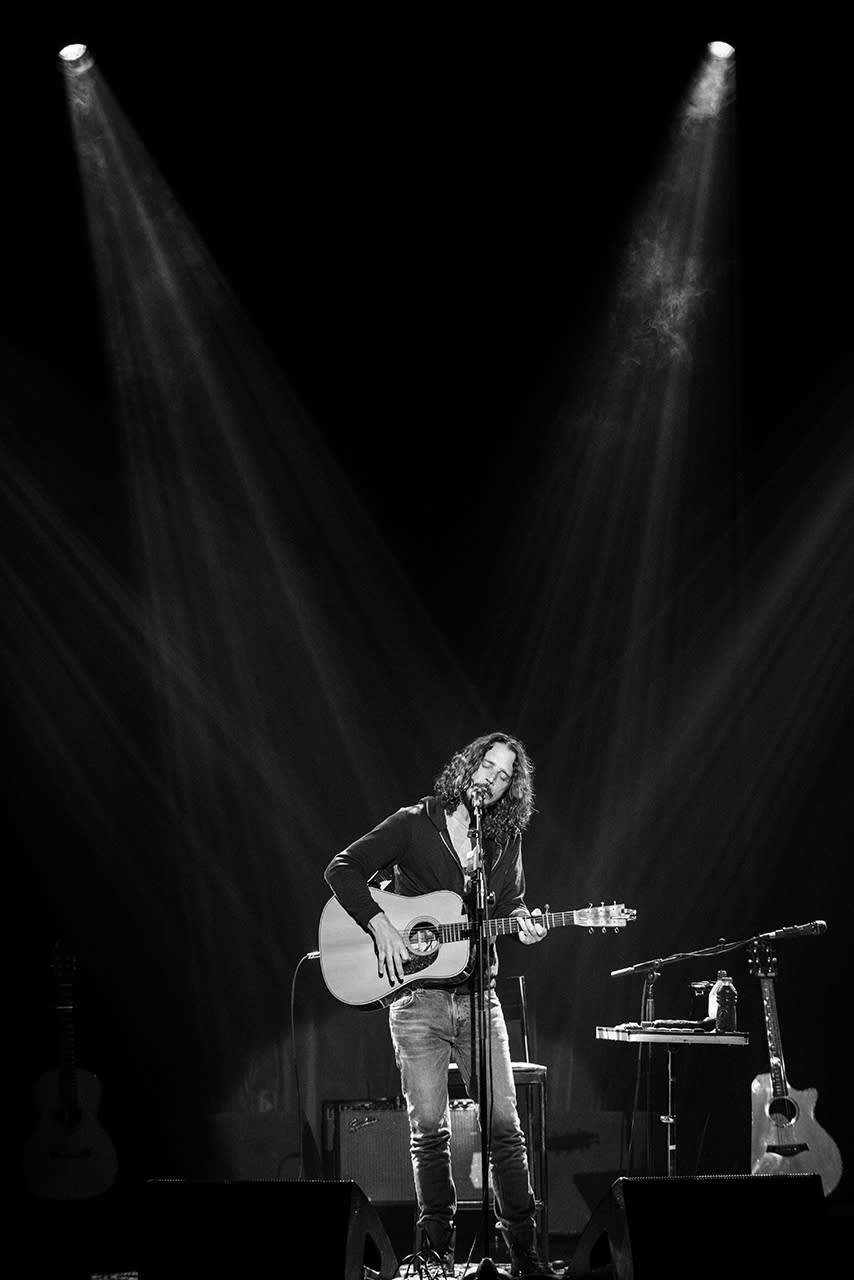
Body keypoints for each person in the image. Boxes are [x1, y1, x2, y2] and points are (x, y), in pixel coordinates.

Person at [325, 732, 559, 1278]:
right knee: (429, 1130)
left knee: (505, 1126)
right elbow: (341, 868)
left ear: (511, 788)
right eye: (487, 765)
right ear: (468, 764)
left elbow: (514, 906)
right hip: (416, 1000)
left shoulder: (506, 840)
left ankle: (522, 1253)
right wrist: (380, 923)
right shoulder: (415, 823)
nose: (492, 778)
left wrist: (526, 927)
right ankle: (435, 1254)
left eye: (504, 775)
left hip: (480, 997)